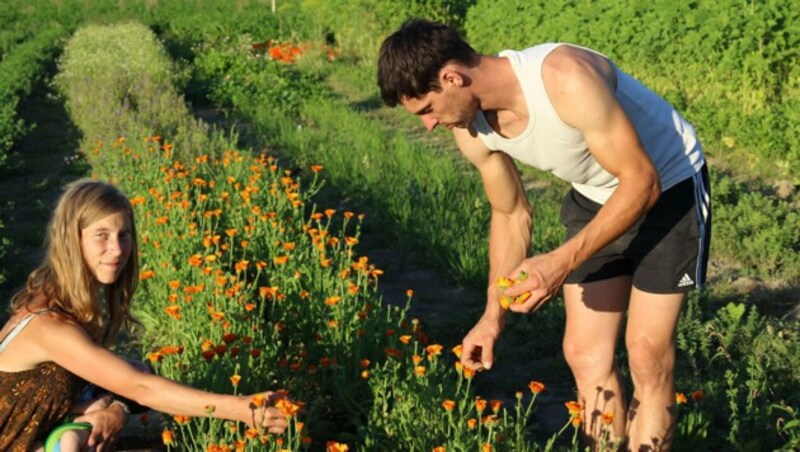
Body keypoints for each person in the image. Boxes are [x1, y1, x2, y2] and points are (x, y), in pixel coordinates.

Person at [378, 19, 711, 450]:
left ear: (452, 78)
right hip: (597, 195)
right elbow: (511, 214)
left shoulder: (564, 78)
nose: (428, 125)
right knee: (584, 354)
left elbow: (641, 183)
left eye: (426, 110)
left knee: (647, 354)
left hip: (668, 186)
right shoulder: (471, 132)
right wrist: (490, 318)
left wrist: (559, 262)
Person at [0, 179, 288, 451]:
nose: (117, 249)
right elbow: (141, 389)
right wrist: (240, 409)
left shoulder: (74, 303)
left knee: (137, 370)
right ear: (71, 241)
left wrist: (116, 410)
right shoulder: (48, 324)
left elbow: (133, 380)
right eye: (102, 235)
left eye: (123, 235)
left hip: (30, 436)